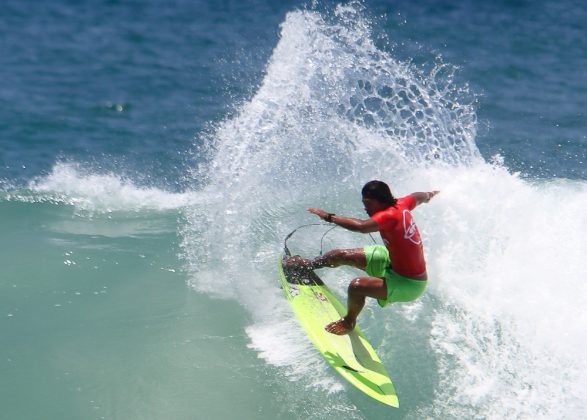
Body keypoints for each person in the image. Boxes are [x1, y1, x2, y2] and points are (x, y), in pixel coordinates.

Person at [284, 180, 439, 335]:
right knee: (339, 255)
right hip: (392, 261)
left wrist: (327, 216)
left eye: (368, 203)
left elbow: (362, 227)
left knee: (356, 287)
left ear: (380, 200)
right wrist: (430, 194)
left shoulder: (389, 216)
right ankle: (308, 265)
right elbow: (418, 196)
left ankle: (348, 322)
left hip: (409, 283)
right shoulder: (402, 203)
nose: (365, 208)